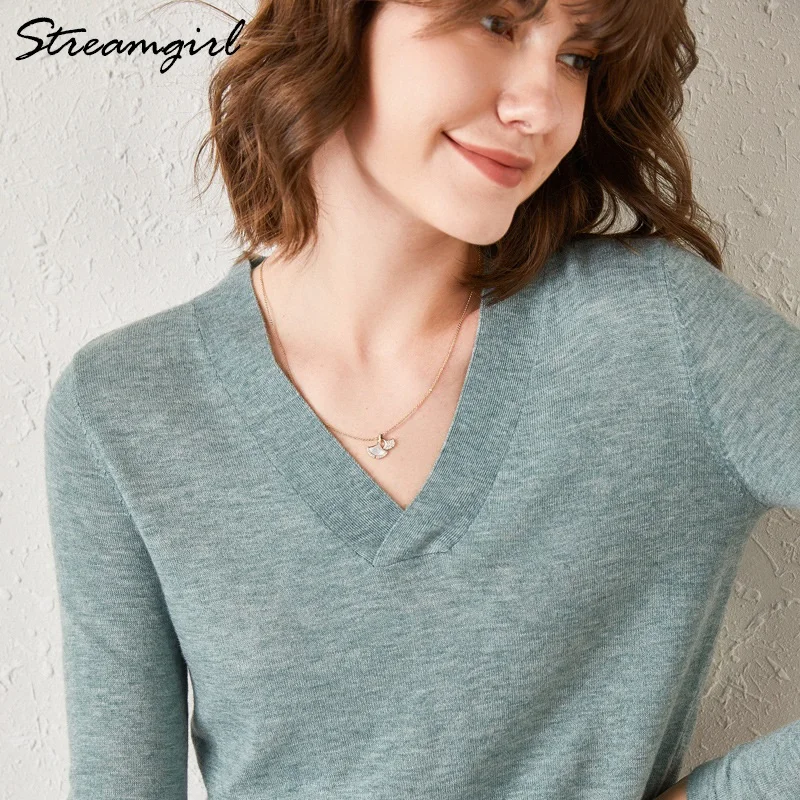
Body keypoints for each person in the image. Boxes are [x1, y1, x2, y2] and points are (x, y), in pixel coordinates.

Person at [44, 1, 800, 799]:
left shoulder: (661, 333)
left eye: (576, 58)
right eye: (497, 23)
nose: (542, 107)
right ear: (342, 20)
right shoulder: (126, 405)